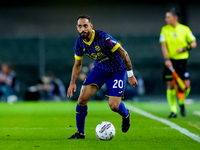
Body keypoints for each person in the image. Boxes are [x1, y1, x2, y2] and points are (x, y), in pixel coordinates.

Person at [67, 15, 137, 139]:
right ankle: (80, 133)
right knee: (82, 99)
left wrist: (130, 75)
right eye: (80, 26)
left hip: (117, 71)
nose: (82, 29)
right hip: (100, 69)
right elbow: (77, 65)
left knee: (114, 106)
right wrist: (72, 82)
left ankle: (126, 115)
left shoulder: (103, 38)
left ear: (91, 26)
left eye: (85, 26)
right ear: (77, 28)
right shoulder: (79, 43)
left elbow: (123, 53)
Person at [159, 8, 197, 118]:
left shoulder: (185, 29)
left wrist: (185, 48)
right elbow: (163, 45)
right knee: (170, 85)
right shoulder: (164, 30)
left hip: (182, 62)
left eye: (168, 17)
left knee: (186, 86)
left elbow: (194, 43)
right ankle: (173, 111)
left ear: (175, 18)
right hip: (170, 62)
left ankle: (181, 102)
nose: (166, 19)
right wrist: (167, 60)